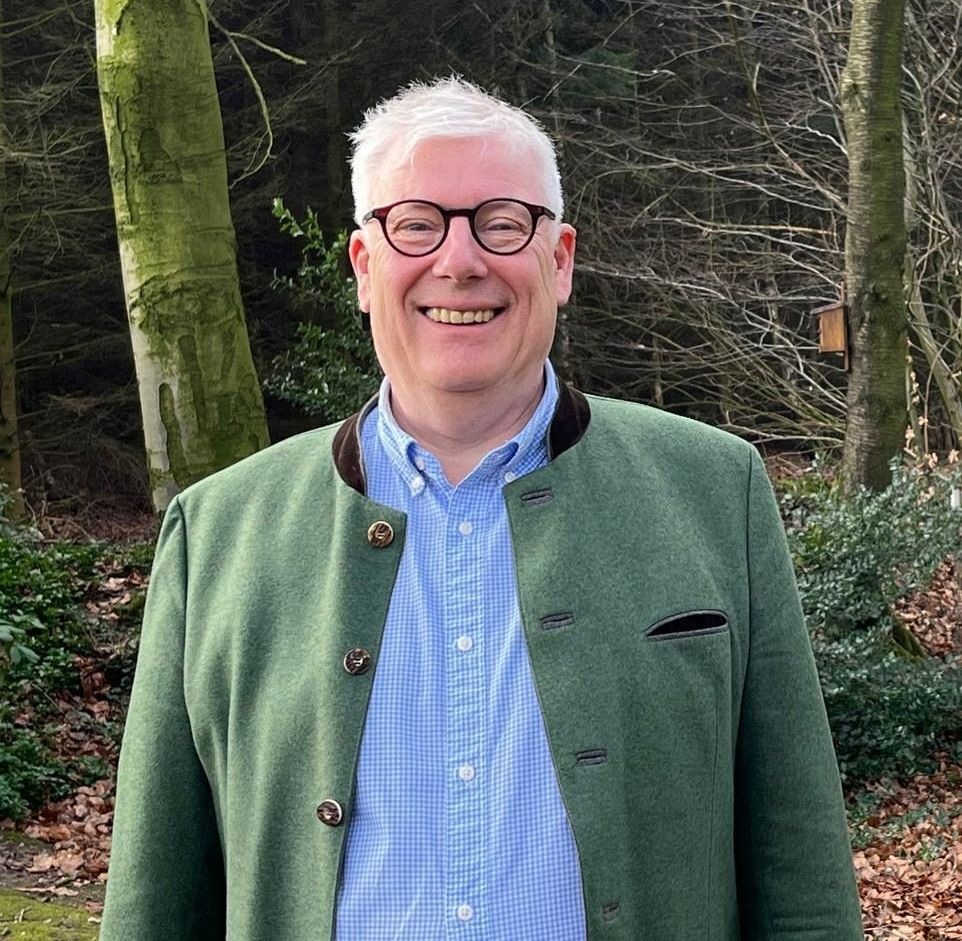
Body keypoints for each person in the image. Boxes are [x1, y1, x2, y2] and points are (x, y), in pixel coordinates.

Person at [100, 77, 864, 940]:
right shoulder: (216, 534)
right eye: (415, 224)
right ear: (364, 267)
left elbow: (803, 879)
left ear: (560, 259)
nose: (459, 260)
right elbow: (152, 903)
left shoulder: (716, 491)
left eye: (502, 222)